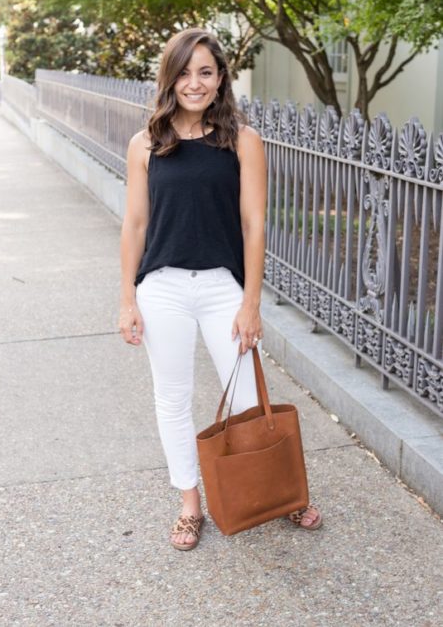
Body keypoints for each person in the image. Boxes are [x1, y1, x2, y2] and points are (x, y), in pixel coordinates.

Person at [119, 28, 322, 550]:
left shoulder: (242, 141)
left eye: (205, 72)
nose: (194, 82)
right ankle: (191, 505)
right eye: (185, 72)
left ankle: (281, 492)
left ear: (220, 79)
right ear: (170, 77)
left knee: (250, 400)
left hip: (220, 288)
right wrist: (127, 299)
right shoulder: (145, 144)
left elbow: (255, 225)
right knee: (173, 399)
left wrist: (251, 302)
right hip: (161, 288)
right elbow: (135, 224)